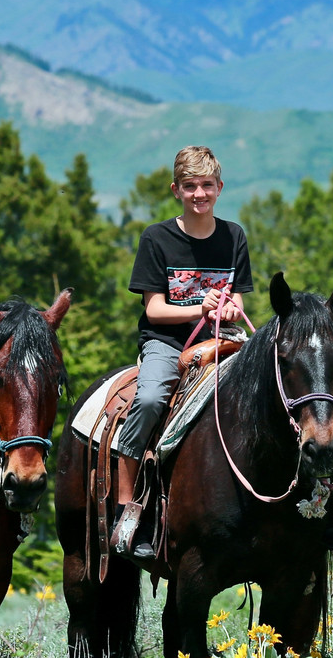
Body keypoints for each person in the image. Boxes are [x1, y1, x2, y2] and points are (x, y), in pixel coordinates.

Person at [112, 146, 252, 559]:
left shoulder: (234, 236)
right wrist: (200, 307)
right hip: (167, 342)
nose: (199, 194)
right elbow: (154, 308)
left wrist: (229, 309)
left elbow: (240, 303)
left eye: (207, 185)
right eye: (190, 186)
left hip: (223, 339)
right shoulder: (157, 238)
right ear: (176, 190)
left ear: (220, 188)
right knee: (152, 397)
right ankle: (125, 508)